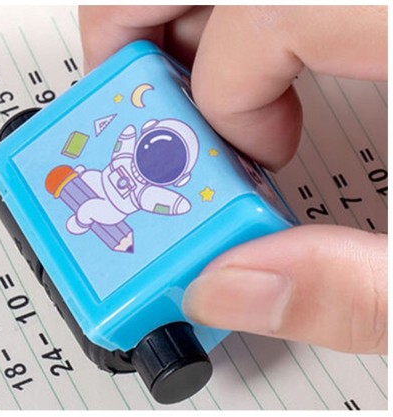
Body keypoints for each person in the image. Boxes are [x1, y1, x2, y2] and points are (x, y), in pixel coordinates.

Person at [79, 5, 387, 354]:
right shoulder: (136, 159)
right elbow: (134, 156)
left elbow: (167, 200)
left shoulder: (153, 186)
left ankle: (88, 213)